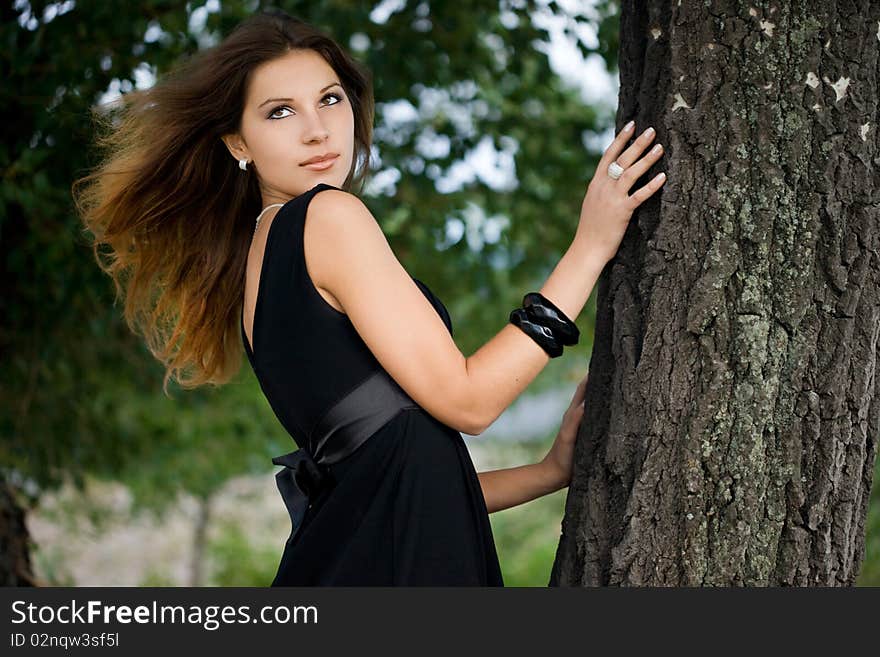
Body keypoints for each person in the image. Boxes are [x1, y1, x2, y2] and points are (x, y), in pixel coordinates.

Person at [71, 8, 665, 586]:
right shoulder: (327, 218)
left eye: (330, 99)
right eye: (280, 112)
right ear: (237, 143)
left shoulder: (259, 259)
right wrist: (590, 245)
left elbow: (386, 481)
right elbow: (470, 402)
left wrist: (545, 473)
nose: (317, 129)